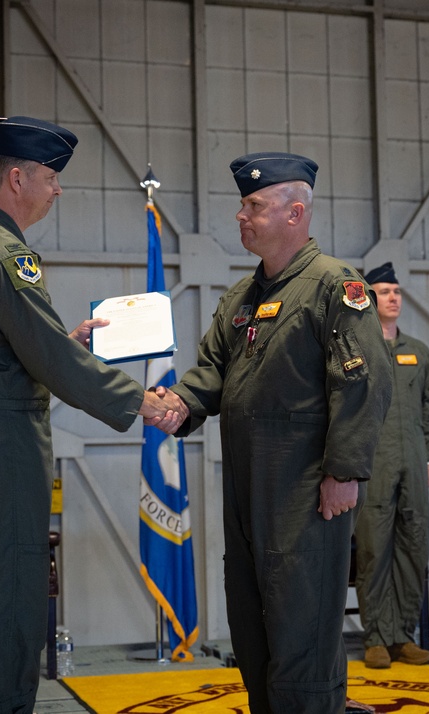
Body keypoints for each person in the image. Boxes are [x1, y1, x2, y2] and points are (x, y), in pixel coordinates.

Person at [0, 112, 182, 714]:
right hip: (5, 450)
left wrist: (59, 344)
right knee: (10, 610)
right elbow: (49, 364)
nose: (58, 188)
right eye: (50, 175)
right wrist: (142, 401)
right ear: (16, 179)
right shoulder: (7, 257)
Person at [158, 152, 393, 713]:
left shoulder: (335, 287)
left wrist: (343, 471)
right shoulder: (240, 299)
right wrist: (178, 405)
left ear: (295, 213)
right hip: (246, 488)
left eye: (254, 205)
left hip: (305, 490)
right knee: (252, 624)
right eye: (242, 204)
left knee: (300, 627)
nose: (241, 215)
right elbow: (213, 369)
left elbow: (362, 384)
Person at [352, 262, 429, 669]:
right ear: (368, 297)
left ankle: (402, 635)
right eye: (384, 291)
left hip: (414, 461)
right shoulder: (357, 349)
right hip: (373, 464)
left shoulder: (418, 352)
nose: (393, 297)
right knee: (373, 550)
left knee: (413, 546)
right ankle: (375, 638)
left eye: (397, 291)